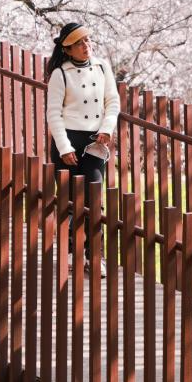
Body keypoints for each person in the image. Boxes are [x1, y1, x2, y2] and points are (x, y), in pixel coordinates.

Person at [45, 22, 120, 276]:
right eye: (79, 43)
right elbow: (53, 114)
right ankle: (68, 251)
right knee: (67, 200)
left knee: (95, 199)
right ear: (67, 49)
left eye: (87, 40)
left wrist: (107, 128)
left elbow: (113, 102)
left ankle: (94, 255)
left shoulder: (102, 67)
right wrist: (64, 147)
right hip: (67, 140)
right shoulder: (60, 74)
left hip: (94, 142)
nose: (85, 46)